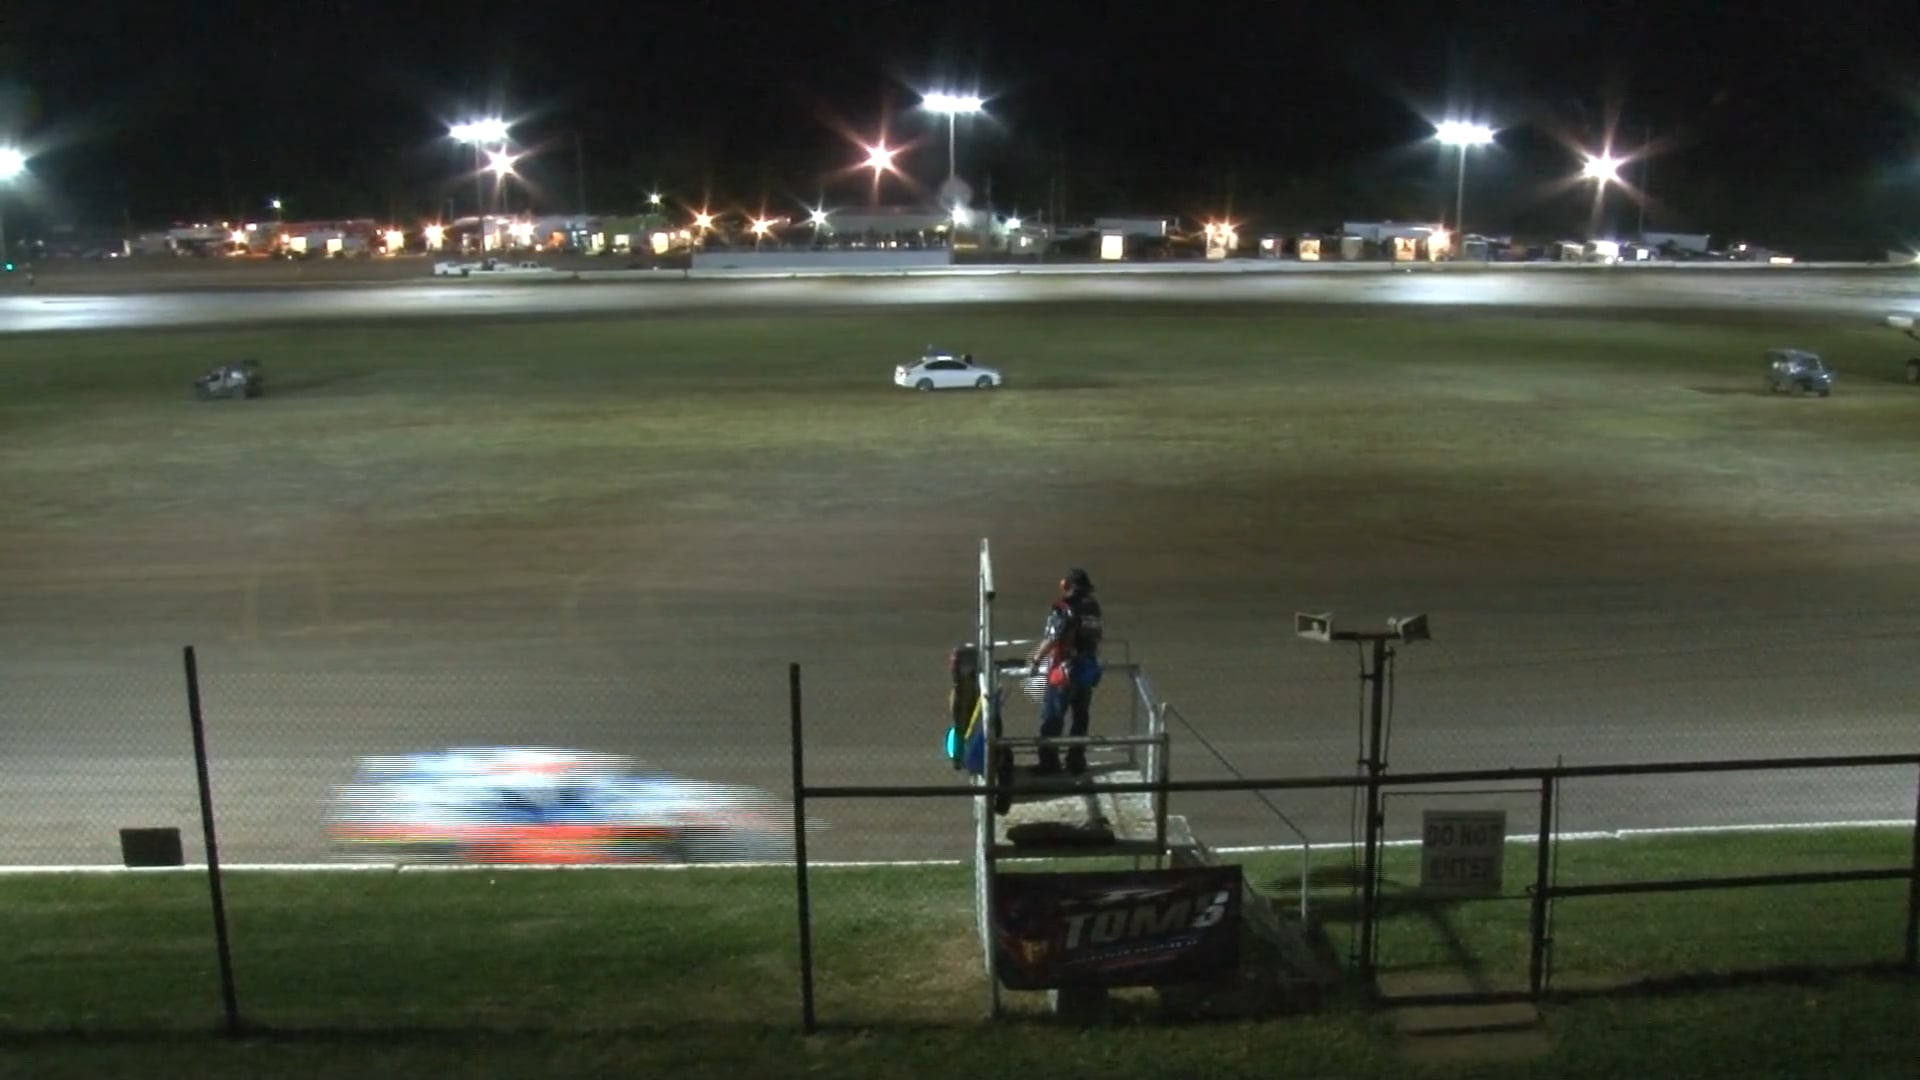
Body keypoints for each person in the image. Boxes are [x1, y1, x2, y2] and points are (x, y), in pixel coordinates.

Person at [1027, 568, 1104, 775]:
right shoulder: (1093, 608)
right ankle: (1076, 761)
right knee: (1080, 718)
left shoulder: (1063, 608)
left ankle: (1049, 764)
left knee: (1052, 719)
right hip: (1087, 671)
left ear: (1066, 586)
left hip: (1063, 672)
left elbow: (1052, 638)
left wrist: (1036, 660)